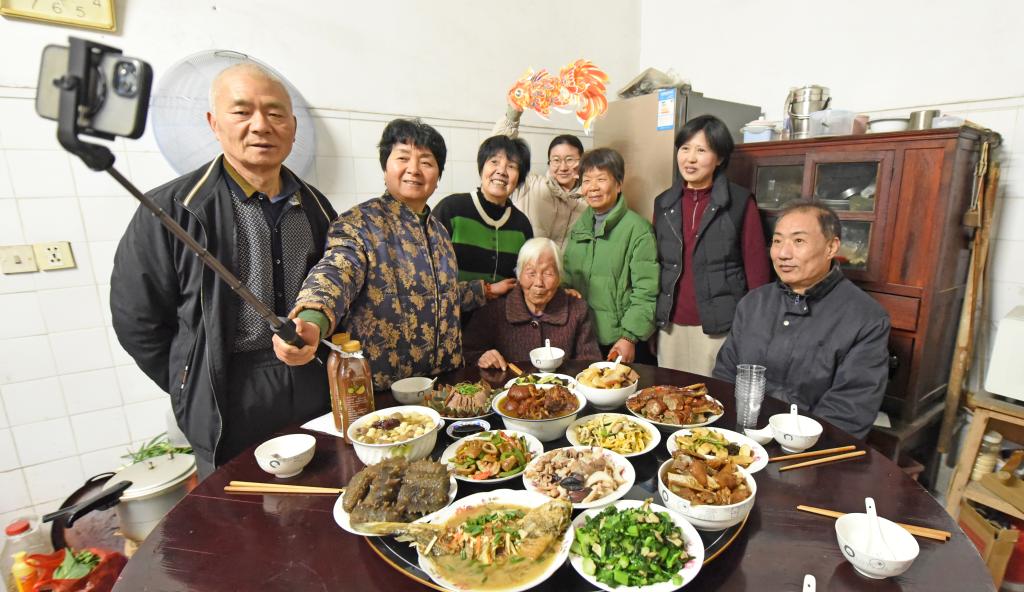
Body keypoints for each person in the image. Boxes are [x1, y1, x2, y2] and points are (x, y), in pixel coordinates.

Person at [110, 63, 338, 476]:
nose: (261, 125)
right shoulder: (172, 211)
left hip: (311, 379)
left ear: (292, 127)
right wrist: (189, 380)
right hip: (227, 389)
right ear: (214, 123)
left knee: (326, 490)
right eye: (242, 112)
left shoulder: (317, 207)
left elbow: (338, 289)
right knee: (236, 508)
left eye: (275, 113)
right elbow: (137, 320)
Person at [271, 119, 514, 388]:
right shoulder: (359, 223)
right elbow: (337, 272)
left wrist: (486, 291)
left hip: (443, 385)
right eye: (403, 158)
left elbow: (440, 295)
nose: (414, 169)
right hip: (385, 390)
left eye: (426, 162)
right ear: (385, 168)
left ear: (438, 177)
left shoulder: (440, 232)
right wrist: (311, 320)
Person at [713, 201, 890, 439]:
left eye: (798, 241)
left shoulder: (866, 318)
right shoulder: (753, 303)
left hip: (807, 448)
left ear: (831, 247)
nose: (783, 254)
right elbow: (725, 375)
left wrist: (793, 443)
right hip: (741, 439)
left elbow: (849, 410)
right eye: (777, 241)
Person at [653, 115, 770, 377]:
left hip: (720, 326)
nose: (690, 158)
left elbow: (757, 273)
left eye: (701, 150)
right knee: (670, 394)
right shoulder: (663, 203)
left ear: (719, 158)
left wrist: (753, 330)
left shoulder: (739, 202)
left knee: (713, 396)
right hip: (670, 324)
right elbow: (657, 265)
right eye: (685, 148)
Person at [562, 148, 659, 364]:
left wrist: (629, 337)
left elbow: (647, 291)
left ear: (618, 184)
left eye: (601, 179)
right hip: (583, 337)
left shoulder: (638, 230)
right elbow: (568, 278)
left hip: (620, 341)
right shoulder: (579, 227)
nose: (593, 187)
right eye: (587, 180)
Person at [463, 238, 601, 369]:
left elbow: (590, 362)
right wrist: (482, 358)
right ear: (519, 275)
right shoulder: (494, 309)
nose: (539, 283)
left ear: (559, 277)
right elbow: (467, 352)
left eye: (548, 273)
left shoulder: (577, 310)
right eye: (531, 273)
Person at [432, 135, 534, 282]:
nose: (501, 171)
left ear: (519, 178)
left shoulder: (522, 226)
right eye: (494, 162)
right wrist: (486, 290)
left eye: (511, 166)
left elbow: (525, 280)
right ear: (482, 168)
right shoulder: (450, 210)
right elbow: (429, 273)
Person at [493, 106, 587, 251]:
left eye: (569, 160)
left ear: (581, 162)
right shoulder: (529, 185)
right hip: (522, 264)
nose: (563, 167)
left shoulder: (588, 201)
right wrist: (512, 116)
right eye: (556, 160)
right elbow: (499, 150)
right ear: (549, 162)